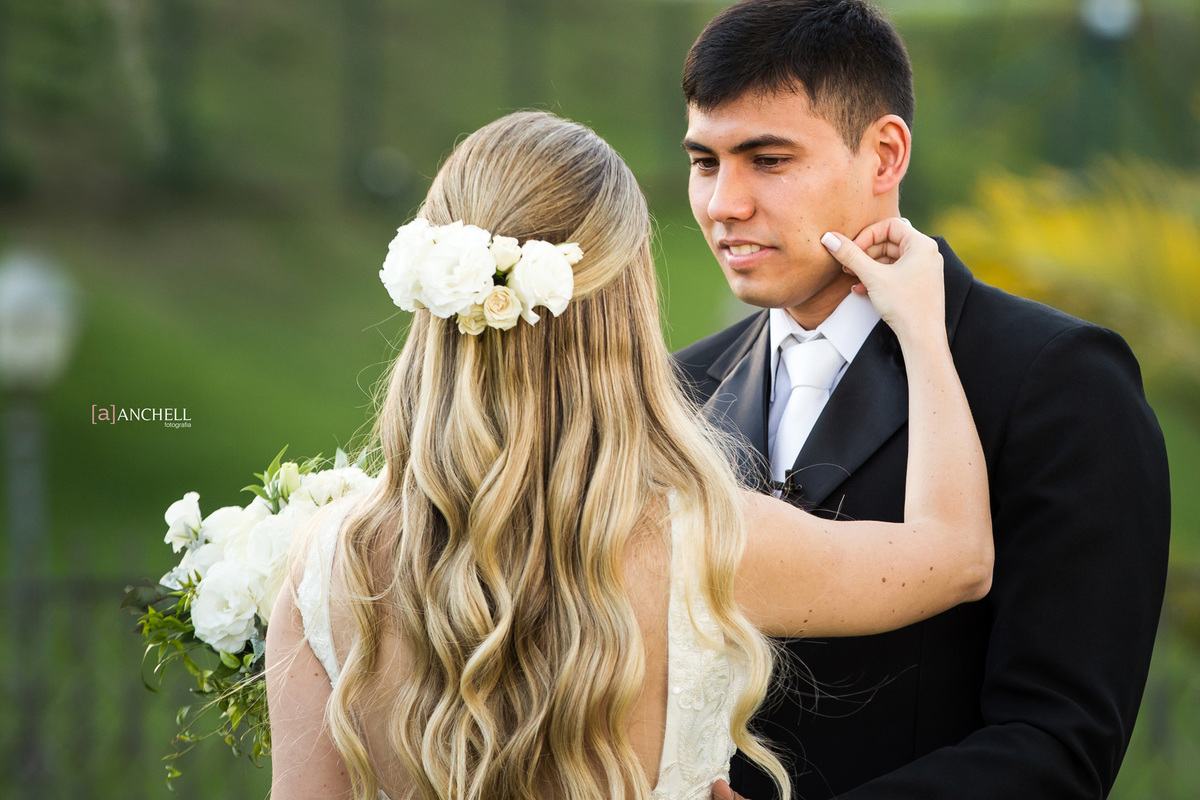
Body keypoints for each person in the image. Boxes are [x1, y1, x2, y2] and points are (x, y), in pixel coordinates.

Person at [265, 110, 992, 800]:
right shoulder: (707, 541)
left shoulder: (330, 562)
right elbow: (955, 556)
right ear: (625, 302)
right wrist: (922, 328)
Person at [673, 1, 1171, 798]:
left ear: (884, 155)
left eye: (767, 160)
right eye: (706, 162)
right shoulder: (671, 393)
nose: (724, 204)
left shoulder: (1059, 382)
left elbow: (1059, 746)